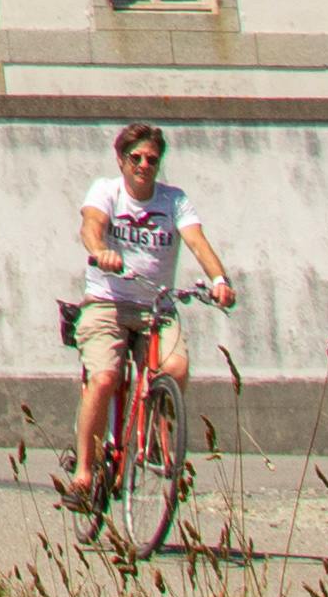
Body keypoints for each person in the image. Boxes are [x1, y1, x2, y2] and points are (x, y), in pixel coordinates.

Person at [63, 120, 233, 505]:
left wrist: (219, 279)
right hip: (108, 300)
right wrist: (100, 250)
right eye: (135, 157)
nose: (144, 165)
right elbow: (92, 225)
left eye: (152, 159)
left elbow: (196, 240)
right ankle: (84, 473)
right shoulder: (106, 191)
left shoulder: (173, 201)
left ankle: (155, 440)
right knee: (104, 378)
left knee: (175, 368)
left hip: (156, 305)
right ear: (121, 160)